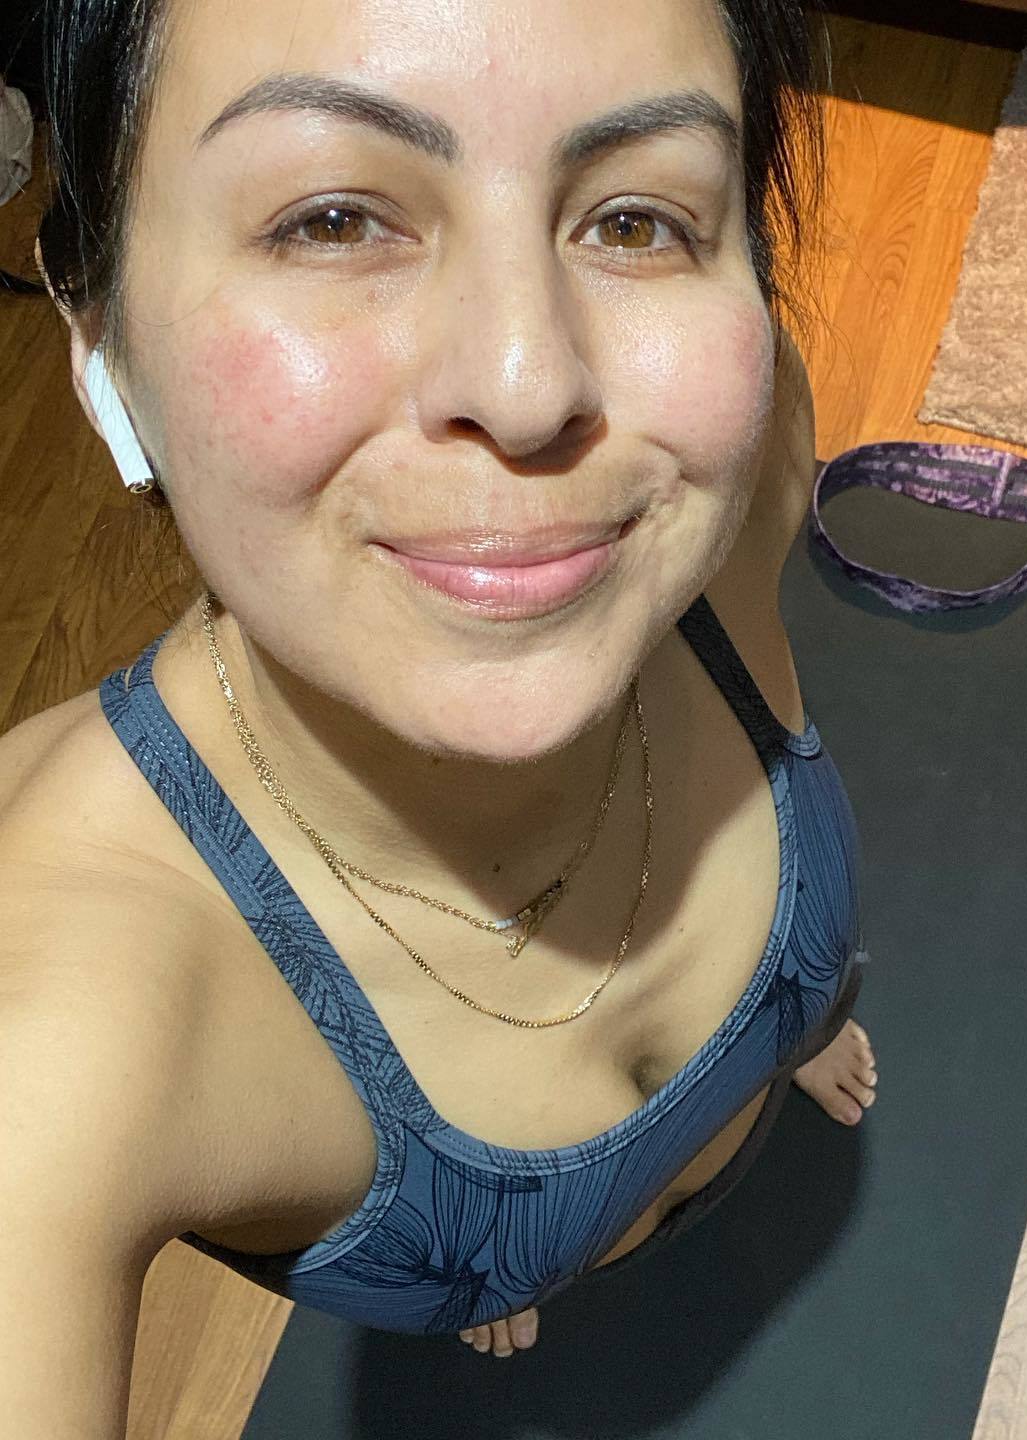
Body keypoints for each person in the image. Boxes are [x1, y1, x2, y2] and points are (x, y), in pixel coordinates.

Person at [0, 0, 880, 1421]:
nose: (528, 389)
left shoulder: (750, 456)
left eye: (637, 221)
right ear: (98, 331)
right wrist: (494, 1252)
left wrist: (803, 1011)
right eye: (334, 221)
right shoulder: (55, 1015)